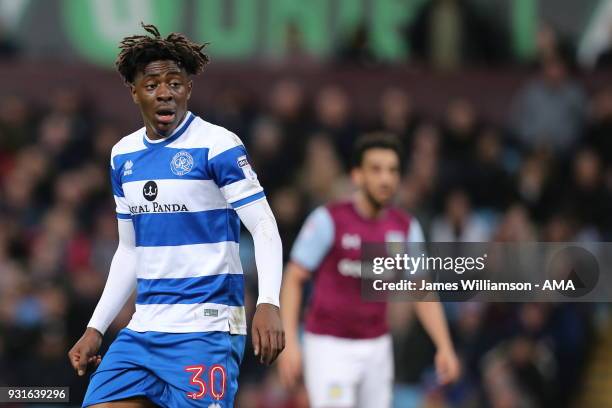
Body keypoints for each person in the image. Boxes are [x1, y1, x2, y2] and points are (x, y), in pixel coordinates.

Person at [67, 23, 284, 408]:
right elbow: (129, 251)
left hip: (206, 329)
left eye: (175, 83)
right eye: (152, 85)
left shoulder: (217, 145)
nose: (164, 93)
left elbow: (264, 227)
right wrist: (96, 328)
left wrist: (268, 302)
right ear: (134, 92)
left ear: (188, 89)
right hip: (145, 328)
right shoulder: (123, 155)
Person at [278, 133, 460, 408]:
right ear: (357, 176)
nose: (385, 179)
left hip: (377, 346)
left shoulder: (405, 228)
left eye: (392, 170)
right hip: (329, 345)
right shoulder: (329, 220)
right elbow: (293, 278)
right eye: (375, 169)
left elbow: (421, 288)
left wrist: (444, 346)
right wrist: (290, 342)